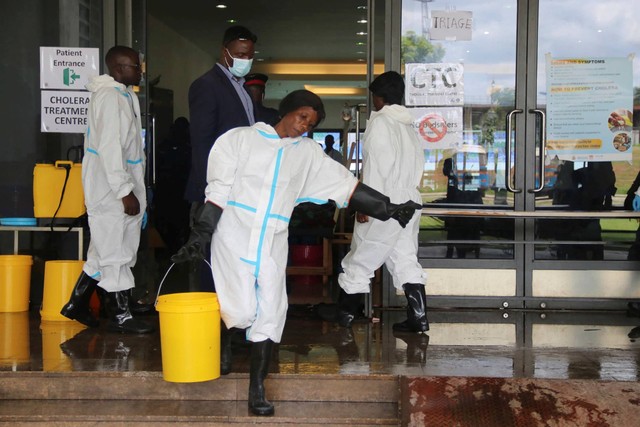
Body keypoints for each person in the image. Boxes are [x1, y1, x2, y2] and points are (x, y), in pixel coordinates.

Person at [171, 89, 421, 416]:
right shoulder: (240, 140)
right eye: (302, 117)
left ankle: (257, 389)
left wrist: (387, 208)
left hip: (273, 240)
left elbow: (346, 185)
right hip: (233, 236)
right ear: (286, 111)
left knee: (272, 310)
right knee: (242, 310)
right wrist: (200, 234)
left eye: (312, 123)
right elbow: (217, 192)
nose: (305, 126)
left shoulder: (307, 154)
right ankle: (225, 338)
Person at [60, 45, 153, 334]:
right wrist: (124, 190)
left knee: (103, 249)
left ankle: (77, 303)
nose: (139, 71)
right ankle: (119, 314)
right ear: (117, 68)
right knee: (116, 250)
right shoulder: (110, 97)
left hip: (121, 181)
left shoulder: (124, 95)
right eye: (134, 66)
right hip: (111, 186)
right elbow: (110, 147)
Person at [335, 71, 428, 333]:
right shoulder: (409, 126)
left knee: (360, 258)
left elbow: (377, 168)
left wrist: (367, 204)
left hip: (385, 201)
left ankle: (346, 315)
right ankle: (418, 317)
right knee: (405, 257)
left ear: (378, 98)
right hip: (410, 199)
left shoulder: (380, 123)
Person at [184, 25, 258, 291]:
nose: (245, 61)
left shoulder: (242, 89)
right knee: (212, 252)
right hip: (216, 188)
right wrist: (210, 191)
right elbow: (202, 142)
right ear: (224, 51)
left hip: (239, 186)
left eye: (249, 55)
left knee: (232, 251)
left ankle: (231, 312)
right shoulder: (206, 86)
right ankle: (210, 309)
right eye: (240, 54)